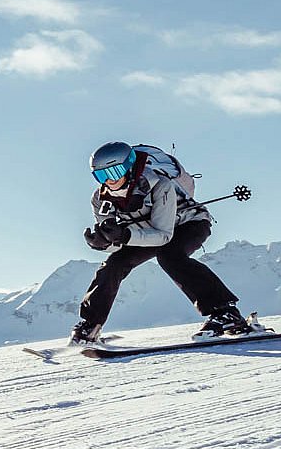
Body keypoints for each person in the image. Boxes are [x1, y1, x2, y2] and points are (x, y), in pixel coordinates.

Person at [72, 142, 253, 346]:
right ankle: (90, 325)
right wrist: (104, 243)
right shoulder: (100, 200)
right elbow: (119, 243)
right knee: (113, 264)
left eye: (116, 171)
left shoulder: (158, 184)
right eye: (102, 176)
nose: (111, 180)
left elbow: (163, 236)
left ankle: (225, 313)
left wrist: (123, 236)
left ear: (130, 167)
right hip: (142, 233)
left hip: (188, 222)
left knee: (170, 256)